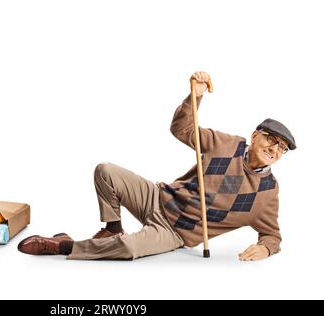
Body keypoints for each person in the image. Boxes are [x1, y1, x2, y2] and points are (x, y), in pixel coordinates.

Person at [17, 71, 296, 261]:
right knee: (106, 170)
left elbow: (272, 235)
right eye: (270, 139)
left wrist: (265, 249)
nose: (274, 149)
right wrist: (194, 97)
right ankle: (112, 227)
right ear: (255, 135)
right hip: (157, 197)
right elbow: (181, 128)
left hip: (175, 232)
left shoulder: (266, 193)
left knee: (129, 247)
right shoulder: (227, 144)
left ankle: (64, 245)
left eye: (281, 148)